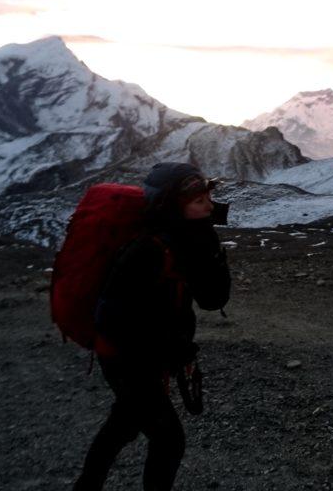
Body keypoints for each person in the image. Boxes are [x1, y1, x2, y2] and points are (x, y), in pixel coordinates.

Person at [75, 162, 231, 491]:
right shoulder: (147, 250)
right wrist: (164, 349)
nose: (208, 205)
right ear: (171, 205)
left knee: (124, 424)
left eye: (207, 197)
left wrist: (211, 249)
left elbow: (212, 298)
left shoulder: (186, 240)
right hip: (126, 359)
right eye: (197, 200)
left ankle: (86, 487)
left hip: (143, 358)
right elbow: (110, 318)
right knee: (169, 438)